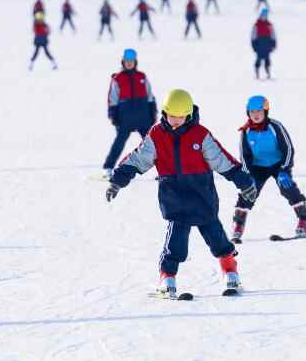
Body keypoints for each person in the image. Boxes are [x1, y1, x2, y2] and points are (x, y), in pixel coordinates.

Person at [106, 90, 258, 298]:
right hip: (174, 198)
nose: (176, 120)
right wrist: (117, 181)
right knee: (175, 243)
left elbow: (222, 160)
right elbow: (138, 159)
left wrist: (244, 183)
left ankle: (230, 270)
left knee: (217, 237)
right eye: (172, 115)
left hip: (202, 195)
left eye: (181, 116)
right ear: (165, 113)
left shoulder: (200, 135)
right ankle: (167, 278)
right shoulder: (157, 134)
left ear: (189, 114)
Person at [230, 95, 306, 244]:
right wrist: (248, 176)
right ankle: (238, 224)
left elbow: (288, 149)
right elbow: (245, 156)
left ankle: (305, 219)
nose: (255, 115)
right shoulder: (246, 131)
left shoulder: (275, 127)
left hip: (278, 165)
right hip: (257, 167)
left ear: (265, 111)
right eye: (252, 112)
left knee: (287, 186)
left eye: (259, 111)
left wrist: (284, 170)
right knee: (249, 191)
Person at [102, 48, 156, 179]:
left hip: (143, 117)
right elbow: (112, 98)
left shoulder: (141, 77)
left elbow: (150, 96)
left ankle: (164, 170)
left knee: (153, 144)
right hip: (125, 118)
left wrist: (152, 112)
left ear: (135, 62)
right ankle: (108, 168)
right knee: (119, 143)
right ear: (123, 62)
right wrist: (113, 115)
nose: (129, 63)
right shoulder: (118, 78)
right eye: (127, 61)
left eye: (131, 61)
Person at [251, 8, 276, 79]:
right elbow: (253, 35)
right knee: (258, 59)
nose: (264, 17)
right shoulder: (257, 24)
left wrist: (273, 43)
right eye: (263, 15)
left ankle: (268, 73)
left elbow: (273, 34)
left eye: (265, 15)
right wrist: (253, 44)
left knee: (267, 59)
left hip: (267, 44)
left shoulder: (269, 24)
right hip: (259, 44)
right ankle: (257, 73)